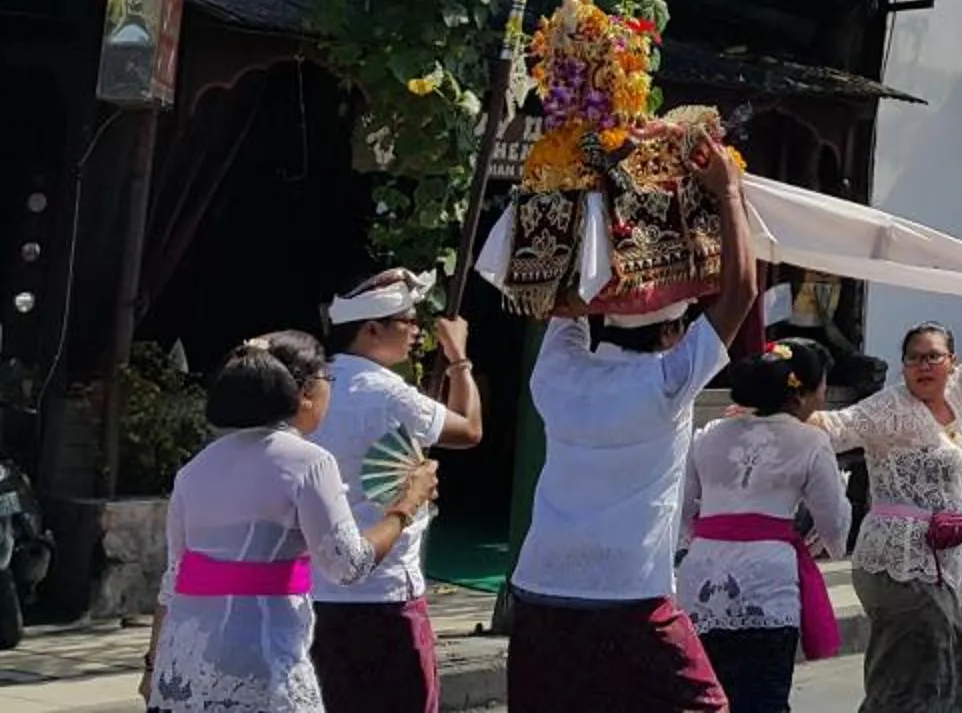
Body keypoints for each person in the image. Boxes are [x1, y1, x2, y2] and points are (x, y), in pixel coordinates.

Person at [505, 132, 757, 713]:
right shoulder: (667, 383)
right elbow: (740, 291)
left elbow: (564, 300)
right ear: (673, 332)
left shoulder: (557, 376)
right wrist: (729, 194)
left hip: (541, 589)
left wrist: (590, 188)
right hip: (628, 594)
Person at [144, 332, 440, 713]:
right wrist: (407, 504)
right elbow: (349, 565)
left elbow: (173, 582)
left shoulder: (195, 469)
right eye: (327, 380)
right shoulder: (308, 462)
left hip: (183, 665)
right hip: (260, 662)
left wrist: (153, 666)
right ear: (304, 391)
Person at [816, 307, 962, 713]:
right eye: (914, 357)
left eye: (933, 356)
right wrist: (770, 409)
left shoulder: (954, 391)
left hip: (939, 560)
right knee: (912, 681)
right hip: (900, 562)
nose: (923, 365)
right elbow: (834, 426)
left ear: (951, 362)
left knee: (937, 668)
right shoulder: (890, 407)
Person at [306, 269, 483, 713]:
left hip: (316, 592)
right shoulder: (388, 392)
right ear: (372, 329)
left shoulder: (310, 387)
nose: (415, 331)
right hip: (384, 594)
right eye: (407, 321)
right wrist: (459, 359)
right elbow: (469, 429)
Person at [680, 339, 848, 713]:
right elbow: (834, 525)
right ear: (803, 392)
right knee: (762, 697)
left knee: (704, 698)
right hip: (765, 580)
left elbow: (683, 512)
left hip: (702, 571)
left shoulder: (708, 434)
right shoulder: (810, 441)